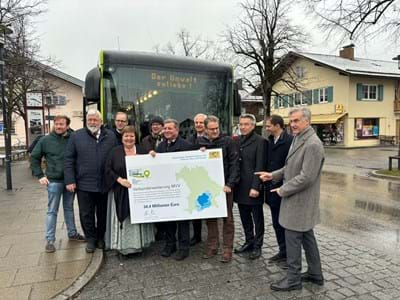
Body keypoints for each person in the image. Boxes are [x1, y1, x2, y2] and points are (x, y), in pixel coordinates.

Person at [257, 107, 325, 291]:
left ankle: (293, 279)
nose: (292, 124)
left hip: (300, 201)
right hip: (297, 200)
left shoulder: (312, 144)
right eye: (291, 121)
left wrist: (282, 190)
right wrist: (272, 175)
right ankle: (315, 274)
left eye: (296, 121)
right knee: (307, 237)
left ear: (307, 121)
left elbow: (306, 177)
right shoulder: (298, 138)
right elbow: (289, 168)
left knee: (293, 238)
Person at [64, 109, 118, 253]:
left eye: (95, 119)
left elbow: (116, 156)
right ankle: (91, 239)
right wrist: (70, 180)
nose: (92, 122)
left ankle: (101, 238)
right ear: (86, 121)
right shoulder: (76, 136)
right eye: (90, 120)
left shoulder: (110, 136)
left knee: (102, 214)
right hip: (83, 184)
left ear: (101, 121)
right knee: (86, 214)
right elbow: (69, 159)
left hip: (104, 183)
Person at [30, 115, 85, 253]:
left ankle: (72, 233)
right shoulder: (45, 140)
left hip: (70, 181)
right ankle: (50, 240)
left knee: (69, 208)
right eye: (57, 124)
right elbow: (34, 157)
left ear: (67, 125)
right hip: (54, 181)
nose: (59, 126)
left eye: (62, 124)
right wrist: (40, 175)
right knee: (52, 211)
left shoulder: (74, 139)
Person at [104, 126, 154, 255]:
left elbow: (151, 167)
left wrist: (152, 156)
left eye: (131, 136)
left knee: (138, 218)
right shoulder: (114, 152)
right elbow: (108, 169)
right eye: (126, 136)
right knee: (125, 219)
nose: (129, 138)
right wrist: (120, 180)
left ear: (135, 137)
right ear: (122, 138)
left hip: (139, 192)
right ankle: (124, 248)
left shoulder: (143, 150)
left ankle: (139, 246)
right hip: (120, 190)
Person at [199, 116, 240, 263]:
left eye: (217, 128)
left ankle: (227, 249)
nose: (215, 131)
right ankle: (212, 246)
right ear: (205, 129)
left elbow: (234, 164)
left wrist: (230, 184)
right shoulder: (200, 143)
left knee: (227, 219)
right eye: (211, 129)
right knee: (210, 218)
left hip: (225, 187)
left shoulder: (228, 141)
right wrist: (200, 153)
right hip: (208, 187)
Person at [151, 119, 192, 260]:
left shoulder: (186, 146)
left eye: (170, 129)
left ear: (177, 130)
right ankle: (170, 245)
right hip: (167, 189)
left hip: (182, 189)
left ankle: (184, 248)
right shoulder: (160, 147)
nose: (167, 131)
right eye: (165, 129)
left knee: (183, 220)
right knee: (168, 219)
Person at [234, 114, 266, 260]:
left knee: (257, 218)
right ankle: (249, 241)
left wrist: (256, 186)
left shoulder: (260, 141)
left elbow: (260, 165)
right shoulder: (237, 140)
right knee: (244, 217)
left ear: (253, 126)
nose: (243, 127)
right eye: (241, 124)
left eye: (246, 124)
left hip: (253, 187)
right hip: (240, 186)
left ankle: (258, 246)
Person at [265, 115, 293, 265]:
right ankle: (282, 251)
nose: (266, 128)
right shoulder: (270, 140)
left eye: (268, 126)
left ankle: (290, 254)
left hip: (284, 188)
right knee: (276, 222)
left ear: (277, 125)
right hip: (272, 188)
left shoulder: (289, 142)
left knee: (286, 224)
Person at [140, 115, 165, 241]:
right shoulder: (145, 140)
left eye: (158, 124)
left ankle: (163, 231)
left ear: (162, 126)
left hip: (164, 176)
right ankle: (154, 230)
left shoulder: (167, 138)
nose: (155, 126)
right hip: (150, 176)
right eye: (153, 125)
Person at [186, 113, 207, 246]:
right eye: (196, 123)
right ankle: (197, 235)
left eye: (201, 122)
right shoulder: (189, 138)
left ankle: (213, 239)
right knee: (195, 207)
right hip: (194, 177)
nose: (199, 125)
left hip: (207, 177)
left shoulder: (211, 138)